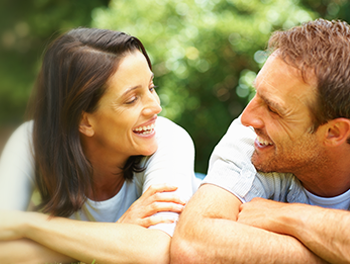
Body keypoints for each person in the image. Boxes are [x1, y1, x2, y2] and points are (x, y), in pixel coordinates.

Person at [0, 28, 198, 264]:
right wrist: (119, 233)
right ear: (84, 120)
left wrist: (28, 224)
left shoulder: (170, 140)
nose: (156, 106)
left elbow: (156, 252)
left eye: (151, 87)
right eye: (132, 99)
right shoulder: (32, 141)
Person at [171, 18, 350, 264]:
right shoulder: (253, 138)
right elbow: (194, 245)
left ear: (334, 132)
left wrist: (288, 216)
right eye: (257, 94)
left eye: (274, 109)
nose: (247, 118)